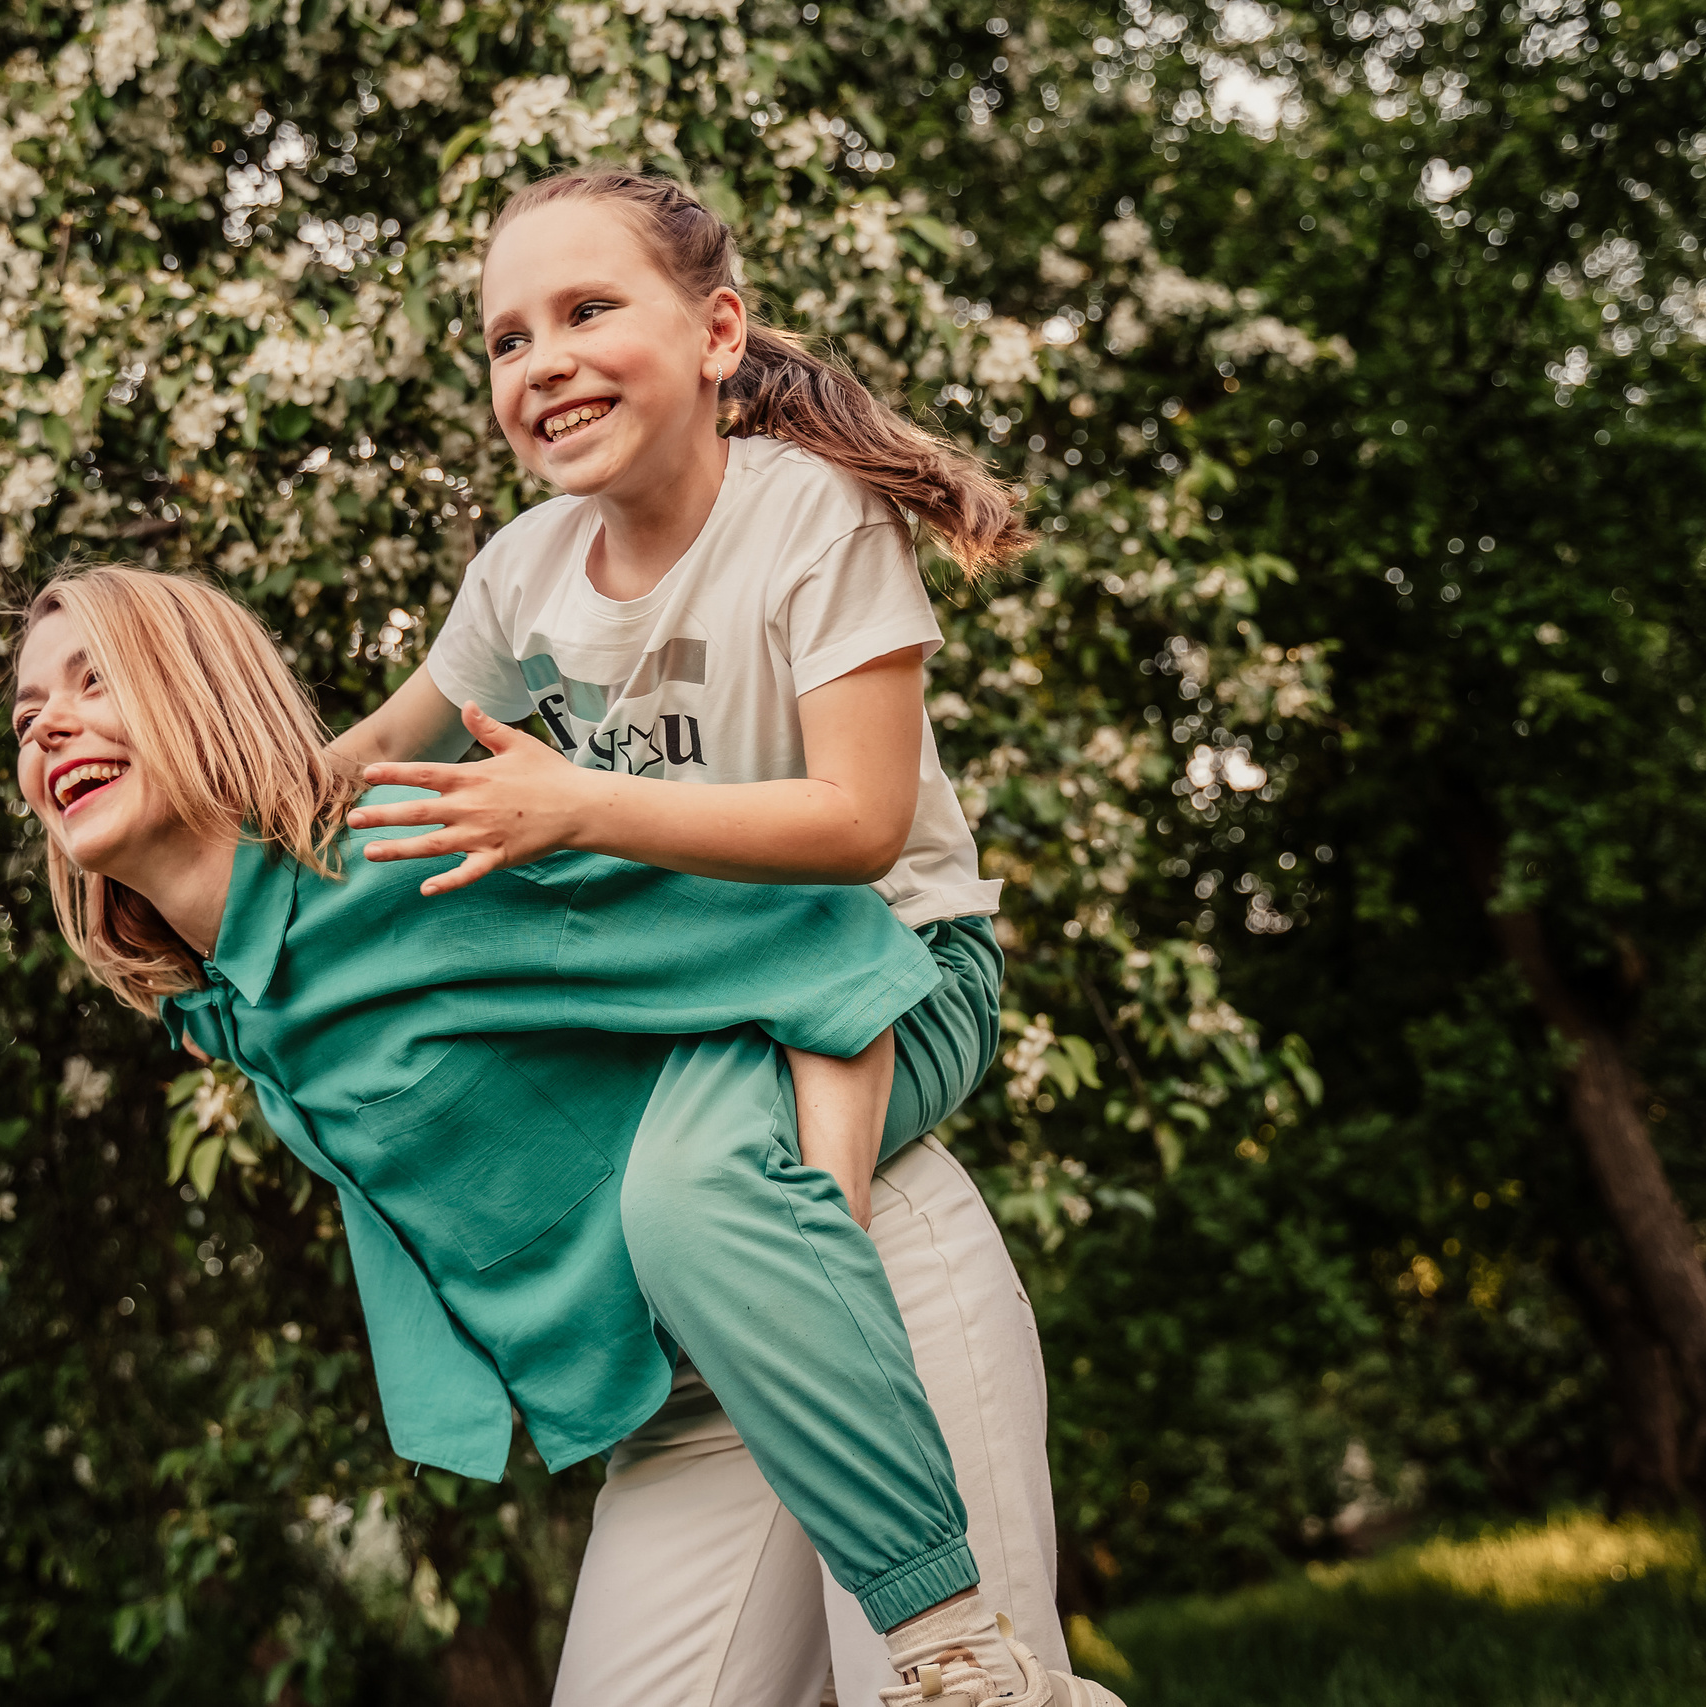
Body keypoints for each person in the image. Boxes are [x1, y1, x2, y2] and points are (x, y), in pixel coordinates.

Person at [12, 566, 1108, 1707]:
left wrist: (823, 1223)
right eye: (29, 717)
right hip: (687, 1405)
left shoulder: (411, 847)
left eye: (95, 681)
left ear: (198, 690)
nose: (51, 725)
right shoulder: (232, 994)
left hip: (849, 1277)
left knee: (969, 1694)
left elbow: (819, 926)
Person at [331, 170, 1094, 1705]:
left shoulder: (806, 513)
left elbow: (862, 822)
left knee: (688, 1194)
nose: (540, 358)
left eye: (587, 310)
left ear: (718, 332)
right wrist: (186, 793)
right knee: (662, 1199)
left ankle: (946, 1635)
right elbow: (361, 770)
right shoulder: (522, 572)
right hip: (715, 1004)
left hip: (903, 968)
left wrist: (580, 805)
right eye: (503, 338)